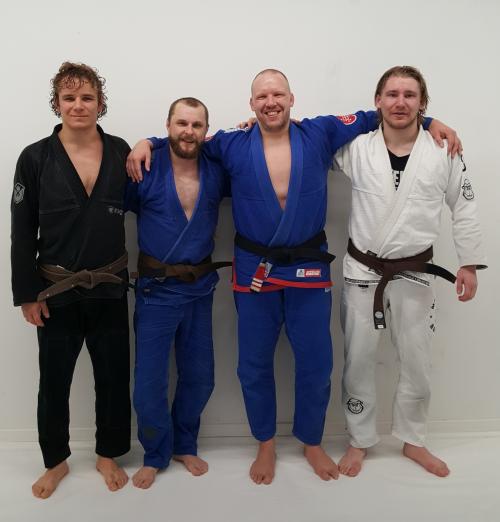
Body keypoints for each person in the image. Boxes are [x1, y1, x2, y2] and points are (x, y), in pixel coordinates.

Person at [126, 69, 460, 485]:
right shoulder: (231, 143)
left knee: (317, 364)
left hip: (308, 267)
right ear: (251, 104)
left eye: (278, 94)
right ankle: (265, 444)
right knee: (253, 365)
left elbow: (378, 114)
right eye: (262, 96)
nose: (271, 102)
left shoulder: (318, 133)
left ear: (291, 98)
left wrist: (430, 121)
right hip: (255, 269)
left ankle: (312, 442)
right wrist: (149, 142)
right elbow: (186, 143)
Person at [333, 66, 487, 478]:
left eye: (410, 95)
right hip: (363, 270)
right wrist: (257, 128)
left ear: (422, 103)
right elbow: (305, 144)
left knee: (417, 360)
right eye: (392, 94)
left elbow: (464, 206)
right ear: (378, 101)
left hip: (416, 272)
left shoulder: (443, 150)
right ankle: (359, 440)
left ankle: (413, 439)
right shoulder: (356, 147)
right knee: (358, 360)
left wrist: (468, 262)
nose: (400, 102)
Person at [11, 62, 131, 499]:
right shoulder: (35, 157)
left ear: (100, 103)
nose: (78, 105)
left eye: (87, 97)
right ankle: (55, 460)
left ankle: (108, 454)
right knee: (54, 380)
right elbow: (22, 230)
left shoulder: (120, 151)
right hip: (54, 288)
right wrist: (27, 294)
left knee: (114, 376)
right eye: (69, 97)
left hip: (109, 284)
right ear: (57, 103)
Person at [125, 97, 230, 489]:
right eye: (181, 123)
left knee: (201, 377)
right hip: (156, 290)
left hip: (200, 289)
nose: (189, 131)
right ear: (167, 125)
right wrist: (145, 143)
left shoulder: (217, 169)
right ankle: (155, 453)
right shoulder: (144, 167)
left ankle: (185, 444)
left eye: (197, 125)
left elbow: (247, 155)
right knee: (148, 384)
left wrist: (250, 128)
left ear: (206, 130)